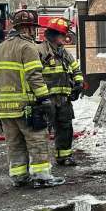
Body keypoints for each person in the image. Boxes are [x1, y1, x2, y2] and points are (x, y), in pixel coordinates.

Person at [0, 9, 63, 188]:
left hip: (5, 109)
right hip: (26, 107)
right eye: (33, 28)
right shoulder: (28, 47)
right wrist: (44, 98)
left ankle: (19, 176)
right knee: (37, 140)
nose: (34, 32)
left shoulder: (0, 47)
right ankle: (41, 176)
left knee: (14, 144)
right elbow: (34, 75)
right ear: (28, 28)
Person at [39, 16, 84, 166]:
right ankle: (41, 162)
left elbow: (75, 68)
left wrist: (78, 83)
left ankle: (64, 156)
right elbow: (33, 74)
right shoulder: (40, 51)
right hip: (46, 99)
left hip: (64, 99)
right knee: (42, 131)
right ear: (53, 36)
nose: (65, 38)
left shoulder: (64, 52)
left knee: (65, 128)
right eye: (62, 35)